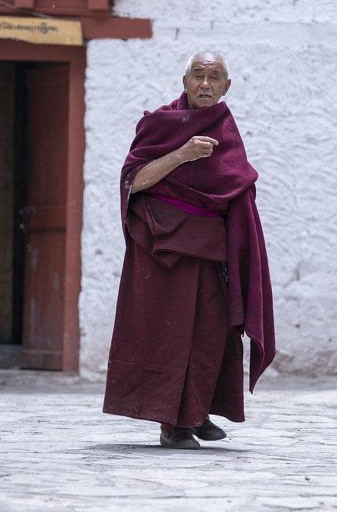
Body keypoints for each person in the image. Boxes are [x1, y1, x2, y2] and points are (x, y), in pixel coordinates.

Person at [102, 50, 276, 449]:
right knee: (171, 335)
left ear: (226, 87)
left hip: (211, 249)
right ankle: (172, 424)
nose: (204, 84)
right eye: (197, 75)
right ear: (184, 81)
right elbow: (134, 180)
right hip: (163, 247)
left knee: (212, 333)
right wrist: (182, 154)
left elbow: (236, 185)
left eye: (214, 78)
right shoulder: (161, 124)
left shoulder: (226, 128)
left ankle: (196, 412)